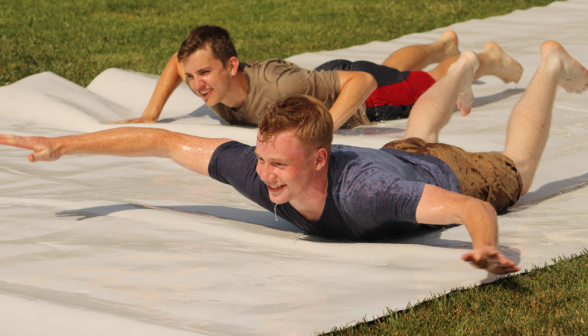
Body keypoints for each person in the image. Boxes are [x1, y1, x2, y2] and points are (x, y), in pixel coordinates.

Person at [2, 41, 586, 275]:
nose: (264, 176)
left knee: (518, 169)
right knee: (415, 133)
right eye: (262, 160)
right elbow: (162, 140)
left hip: (448, 170)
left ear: (321, 162)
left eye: (279, 166)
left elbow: (465, 204)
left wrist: (485, 245)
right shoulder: (262, 172)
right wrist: (64, 145)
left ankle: (551, 66)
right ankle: (458, 68)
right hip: (402, 153)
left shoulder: (371, 195)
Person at [110, 25, 523, 130]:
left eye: (203, 74)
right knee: (395, 67)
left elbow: (362, 83)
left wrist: (325, 127)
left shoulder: (276, 89)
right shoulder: (210, 79)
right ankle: (440, 45)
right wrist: (150, 113)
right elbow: (174, 61)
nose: (196, 83)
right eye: (192, 76)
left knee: (433, 86)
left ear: (231, 66)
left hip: (362, 96)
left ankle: (483, 60)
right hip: (320, 80)